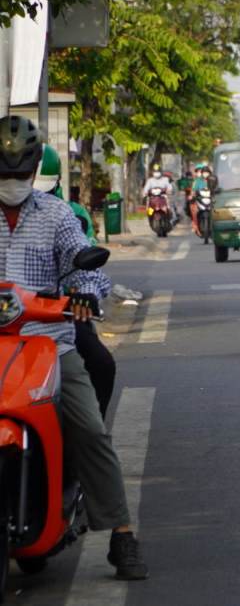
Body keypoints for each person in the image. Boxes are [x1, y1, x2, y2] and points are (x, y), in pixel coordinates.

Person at [0, 116, 148, 579]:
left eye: (20, 175)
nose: (13, 184)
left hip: (47, 342)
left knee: (89, 429)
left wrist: (84, 293)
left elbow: (86, 268)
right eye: (5, 176)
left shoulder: (57, 215)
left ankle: (121, 533)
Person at [32, 143, 114, 417]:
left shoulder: (67, 214)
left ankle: (91, 433)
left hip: (57, 321)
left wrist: (84, 293)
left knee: (101, 364)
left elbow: (86, 266)